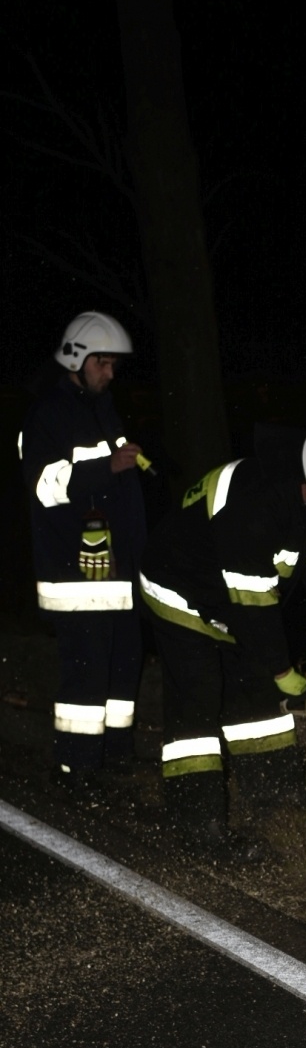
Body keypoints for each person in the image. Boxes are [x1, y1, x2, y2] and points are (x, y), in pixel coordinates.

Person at [139, 427, 306, 860]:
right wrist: (282, 672)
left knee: (253, 689)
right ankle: (200, 829)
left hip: (228, 592)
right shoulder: (256, 504)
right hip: (178, 587)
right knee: (198, 698)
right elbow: (254, 608)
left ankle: (277, 793)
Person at [19, 311, 148, 794]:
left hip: (115, 567)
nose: (110, 373)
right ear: (77, 357)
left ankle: (113, 755)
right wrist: (107, 468)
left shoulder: (102, 408)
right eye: (104, 364)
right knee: (86, 670)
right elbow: (44, 486)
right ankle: (74, 768)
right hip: (75, 570)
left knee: (122, 662)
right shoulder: (47, 414)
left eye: (114, 365)